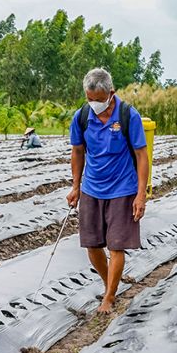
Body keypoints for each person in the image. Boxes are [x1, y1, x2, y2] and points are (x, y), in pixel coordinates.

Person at [66, 68, 149, 314]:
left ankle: (110, 298)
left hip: (122, 188)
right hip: (92, 187)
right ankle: (109, 285)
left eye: (98, 100)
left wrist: (140, 194)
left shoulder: (128, 116)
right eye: (89, 99)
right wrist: (75, 186)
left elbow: (141, 155)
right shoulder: (81, 117)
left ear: (111, 94)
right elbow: (78, 152)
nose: (93, 104)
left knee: (116, 246)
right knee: (92, 245)